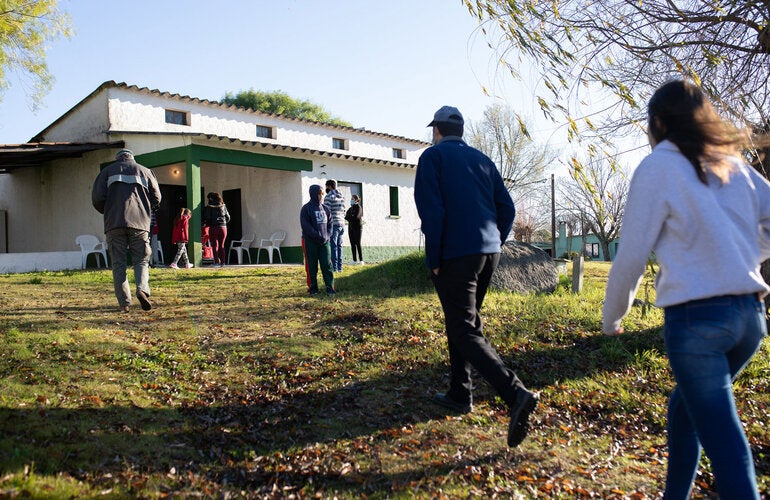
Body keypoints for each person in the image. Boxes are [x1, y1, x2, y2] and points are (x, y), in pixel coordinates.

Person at [602, 79, 770, 499]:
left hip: (697, 325)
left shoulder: (659, 165)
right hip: (748, 319)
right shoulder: (734, 164)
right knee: (685, 408)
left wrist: (612, 317)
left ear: (657, 122)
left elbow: (632, 256)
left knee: (727, 446)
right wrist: (747, 252)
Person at [414, 105, 537, 448]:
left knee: (463, 327)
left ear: (436, 129)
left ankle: (515, 395)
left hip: (455, 255)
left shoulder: (432, 158)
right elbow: (507, 208)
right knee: (464, 323)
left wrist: (434, 257)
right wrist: (494, 238)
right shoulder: (483, 160)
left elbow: (432, 212)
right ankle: (459, 392)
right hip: (489, 253)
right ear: (460, 130)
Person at [92, 149, 161, 312]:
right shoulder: (145, 171)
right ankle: (142, 289)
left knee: (118, 263)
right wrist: (144, 209)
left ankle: (124, 304)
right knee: (142, 260)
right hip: (139, 223)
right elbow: (157, 197)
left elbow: (97, 199)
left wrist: (110, 210)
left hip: (114, 223)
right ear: (132, 158)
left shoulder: (106, 172)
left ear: (118, 159)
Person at [301, 184, 335, 296]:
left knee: (327, 265)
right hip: (311, 242)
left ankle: (330, 288)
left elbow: (330, 224)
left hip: (325, 243)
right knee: (312, 266)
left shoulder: (326, 208)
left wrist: (327, 236)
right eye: (319, 193)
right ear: (313, 194)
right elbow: (305, 226)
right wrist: (317, 236)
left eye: (322, 194)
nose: (321, 196)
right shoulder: (306, 209)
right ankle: (313, 288)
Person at [323, 179, 346, 272]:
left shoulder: (328, 196)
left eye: (326, 186)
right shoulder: (341, 196)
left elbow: (326, 212)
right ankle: (340, 268)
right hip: (342, 224)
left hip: (334, 224)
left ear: (329, 186)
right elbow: (344, 211)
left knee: (333, 246)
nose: (325, 188)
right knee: (339, 246)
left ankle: (334, 268)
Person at [202, 192, 230, 267]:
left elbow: (207, 218)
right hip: (223, 228)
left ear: (210, 198)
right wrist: (223, 223)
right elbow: (228, 217)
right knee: (222, 245)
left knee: (215, 245)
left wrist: (206, 224)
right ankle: (223, 263)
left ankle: (216, 262)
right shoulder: (223, 205)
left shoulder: (209, 206)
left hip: (213, 227)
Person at [345, 194, 364, 264]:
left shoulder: (359, 207)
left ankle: (361, 260)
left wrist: (351, 217)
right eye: (351, 199)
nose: (351, 200)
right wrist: (351, 217)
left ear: (356, 200)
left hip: (358, 228)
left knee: (358, 243)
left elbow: (357, 217)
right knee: (352, 244)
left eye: (352, 199)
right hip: (350, 228)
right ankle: (354, 260)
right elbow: (346, 216)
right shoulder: (350, 208)